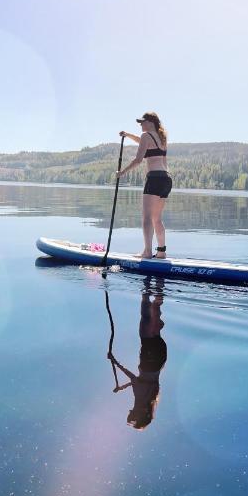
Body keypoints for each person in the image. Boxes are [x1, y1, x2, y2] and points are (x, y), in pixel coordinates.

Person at [108, 280, 168, 430]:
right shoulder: (142, 401)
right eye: (133, 413)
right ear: (139, 413)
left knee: (153, 319)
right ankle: (146, 286)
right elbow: (134, 379)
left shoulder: (151, 400)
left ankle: (159, 286)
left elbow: (138, 382)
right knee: (146, 316)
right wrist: (114, 361)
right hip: (149, 358)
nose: (131, 410)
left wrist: (123, 387)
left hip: (159, 358)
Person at [117, 111, 172, 259]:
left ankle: (147, 252)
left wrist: (122, 172)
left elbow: (138, 159)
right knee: (157, 218)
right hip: (166, 179)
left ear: (150, 123)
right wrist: (128, 135)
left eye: (143, 122)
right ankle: (161, 252)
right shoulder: (162, 138)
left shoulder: (146, 136)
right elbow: (142, 141)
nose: (141, 124)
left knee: (147, 217)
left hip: (154, 178)